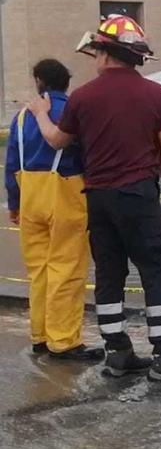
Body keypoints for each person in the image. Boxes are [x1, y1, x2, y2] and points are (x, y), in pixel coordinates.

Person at [28, 15, 161, 383]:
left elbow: (57, 142)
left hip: (97, 199)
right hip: (138, 196)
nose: (94, 58)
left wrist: (39, 114)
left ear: (106, 54)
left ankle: (118, 353)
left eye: (96, 51)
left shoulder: (82, 97)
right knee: (157, 270)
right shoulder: (155, 94)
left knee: (110, 273)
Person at [5, 59, 102, 362]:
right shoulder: (73, 111)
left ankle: (40, 336)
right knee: (67, 269)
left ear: (39, 81)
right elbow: (90, 156)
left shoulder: (21, 118)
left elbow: (11, 165)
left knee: (39, 271)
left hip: (30, 198)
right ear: (66, 82)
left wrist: (14, 203)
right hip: (67, 195)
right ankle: (64, 341)